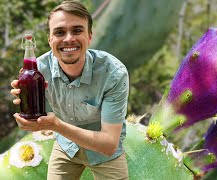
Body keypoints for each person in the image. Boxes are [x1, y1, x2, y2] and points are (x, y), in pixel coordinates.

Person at [10, 0, 129, 179]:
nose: (68, 38)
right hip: (66, 147)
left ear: (89, 36)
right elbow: (28, 121)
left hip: (104, 152)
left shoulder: (113, 73)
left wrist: (55, 125)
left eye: (77, 30)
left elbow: (109, 144)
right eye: (59, 32)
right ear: (50, 40)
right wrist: (25, 113)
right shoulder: (38, 71)